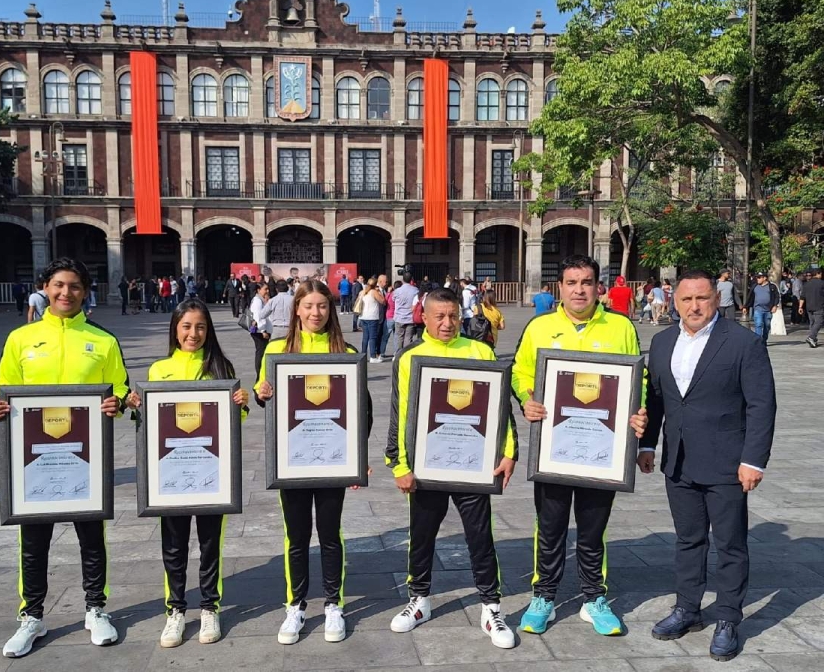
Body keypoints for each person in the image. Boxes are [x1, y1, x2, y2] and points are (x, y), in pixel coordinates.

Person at [0, 258, 131, 658]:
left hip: (84, 457)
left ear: (85, 292)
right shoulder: (21, 338)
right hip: (36, 459)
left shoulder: (103, 341)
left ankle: (96, 609)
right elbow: (3, 387)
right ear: (45, 288)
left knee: (91, 537)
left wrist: (116, 404)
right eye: (57, 285)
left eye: (73, 286)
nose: (65, 293)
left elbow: (118, 389)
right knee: (33, 540)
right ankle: (31, 616)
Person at [639, 269, 776, 662]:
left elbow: (761, 406)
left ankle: (729, 618)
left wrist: (753, 460)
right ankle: (687, 608)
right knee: (688, 540)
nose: (694, 306)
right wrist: (648, 445)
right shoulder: (663, 343)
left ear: (716, 299)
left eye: (702, 298)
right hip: (678, 462)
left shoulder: (742, 343)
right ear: (674, 302)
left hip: (727, 463)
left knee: (730, 544)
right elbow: (659, 400)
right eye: (687, 299)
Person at [512, 254, 647, 637]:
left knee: (592, 528)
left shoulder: (620, 327)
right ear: (560, 287)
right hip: (555, 446)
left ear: (597, 286)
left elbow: (640, 376)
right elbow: (521, 372)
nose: (579, 290)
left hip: (602, 449)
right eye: (571, 282)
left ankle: (593, 598)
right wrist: (526, 399)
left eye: (586, 282)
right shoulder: (540, 327)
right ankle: (545, 596)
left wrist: (640, 412)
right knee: (550, 526)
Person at [386, 287, 517, 649]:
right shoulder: (409, 357)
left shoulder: (481, 351)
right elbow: (398, 414)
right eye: (439, 316)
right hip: (426, 465)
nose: (447, 323)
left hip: (473, 464)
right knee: (422, 534)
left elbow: (501, 408)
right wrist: (398, 463)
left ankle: (490, 606)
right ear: (423, 318)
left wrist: (509, 451)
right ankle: (419, 600)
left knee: (480, 535)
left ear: (461, 316)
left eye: (453, 316)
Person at [254, 280, 372, 645]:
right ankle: (296, 605)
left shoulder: (346, 349)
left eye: (322, 306)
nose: (315, 313)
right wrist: (263, 393)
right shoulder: (277, 349)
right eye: (308, 306)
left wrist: (358, 456)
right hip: (293, 459)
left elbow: (362, 408)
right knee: (297, 536)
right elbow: (264, 396)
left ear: (330, 310)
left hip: (333, 458)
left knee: (331, 534)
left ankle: (334, 603)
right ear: (297, 310)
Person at [129, 299, 249, 648]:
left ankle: (210, 606)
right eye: (186, 326)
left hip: (210, 470)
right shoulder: (159, 369)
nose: (193, 334)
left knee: (211, 543)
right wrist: (137, 407)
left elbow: (234, 424)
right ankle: (176, 609)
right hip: (172, 473)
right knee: (174, 544)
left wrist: (239, 405)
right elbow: (149, 425)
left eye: (200, 327)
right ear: (175, 330)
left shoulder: (220, 367)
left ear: (208, 330)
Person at [742, 272, 780, 344]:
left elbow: (777, 297)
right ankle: (758, 341)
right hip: (758, 309)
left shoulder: (772, 287)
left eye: (759, 277)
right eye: (757, 277)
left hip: (768, 310)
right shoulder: (755, 286)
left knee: (767, 326)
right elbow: (750, 297)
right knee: (758, 324)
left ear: (765, 278)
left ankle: (764, 339)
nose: (757, 279)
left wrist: (775, 306)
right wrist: (745, 307)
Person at [358, 278, 385, 364]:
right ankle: (373, 356)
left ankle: (363, 355)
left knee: (365, 337)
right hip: (372, 317)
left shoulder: (363, 291)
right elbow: (383, 301)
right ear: (374, 285)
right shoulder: (373, 292)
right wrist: (380, 293)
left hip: (363, 317)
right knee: (372, 337)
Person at [248, 281, 271, 379]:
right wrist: (263, 331)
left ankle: (261, 372)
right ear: (258, 290)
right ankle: (259, 374)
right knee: (260, 352)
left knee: (261, 351)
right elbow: (258, 316)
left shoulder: (260, 299)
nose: (267, 291)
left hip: (260, 330)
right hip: (259, 331)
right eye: (265, 289)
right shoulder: (257, 300)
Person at [391, 272, 419, 351]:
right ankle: (406, 353)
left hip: (399, 317)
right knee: (408, 338)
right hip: (410, 318)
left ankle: (398, 353)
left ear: (402, 280)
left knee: (399, 337)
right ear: (411, 280)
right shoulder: (415, 290)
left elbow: (393, 299)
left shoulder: (397, 291)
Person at [799, 267, 824, 348]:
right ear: (818, 274)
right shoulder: (822, 283)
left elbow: (802, 297)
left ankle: (813, 340)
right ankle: (811, 337)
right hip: (819, 306)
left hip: (809, 306)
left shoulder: (806, 284)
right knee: (819, 322)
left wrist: (800, 307)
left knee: (812, 323)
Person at [380, 281, 399, 359]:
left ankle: (382, 352)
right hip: (397, 317)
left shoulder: (391, 294)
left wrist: (388, 292)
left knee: (385, 336)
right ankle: (396, 353)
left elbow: (384, 301)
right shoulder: (399, 295)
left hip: (389, 317)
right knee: (396, 337)